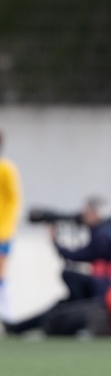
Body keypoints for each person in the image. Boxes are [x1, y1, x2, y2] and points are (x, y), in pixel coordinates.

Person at [3, 197, 111, 339]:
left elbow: (75, 256)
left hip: (106, 292)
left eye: (86, 212)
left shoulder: (103, 237)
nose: (82, 216)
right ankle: (17, 328)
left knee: (60, 309)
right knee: (67, 282)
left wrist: (55, 241)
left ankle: (18, 328)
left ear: (96, 213)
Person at [0, 130, 23, 325]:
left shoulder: (6, 169)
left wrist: (5, 232)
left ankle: (6, 316)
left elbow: (13, 201)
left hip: (2, 233)